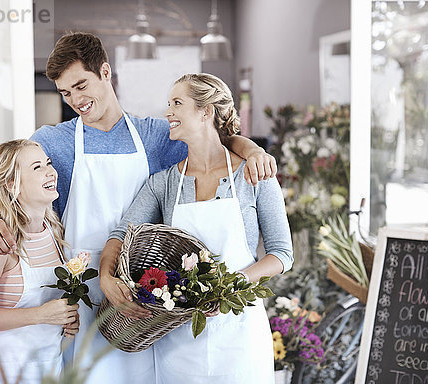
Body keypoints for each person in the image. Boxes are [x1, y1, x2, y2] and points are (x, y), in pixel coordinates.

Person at [0, 33, 276, 384]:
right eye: (66, 93)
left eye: (81, 85)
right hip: (80, 292)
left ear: (105, 72)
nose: (76, 100)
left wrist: (252, 151)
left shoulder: (155, 136)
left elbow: (216, 137)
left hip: (142, 296)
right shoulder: (52, 140)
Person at [100, 73, 294, 383]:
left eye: (177, 103)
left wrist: (230, 285)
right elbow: (121, 233)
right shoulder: (163, 183)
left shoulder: (253, 174)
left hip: (240, 333)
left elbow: (282, 254)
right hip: (180, 341)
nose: (168, 113)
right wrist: (106, 277)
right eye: (168, 104)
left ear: (206, 112)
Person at [0, 139, 79, 383]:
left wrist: (64, 319)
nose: (50, 172)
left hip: (48, 369)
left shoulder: (54, 233)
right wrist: (40, 315)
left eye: (48, 163)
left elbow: (50, 309)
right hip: (2, 372)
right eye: (36, 168)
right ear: (12, 184)